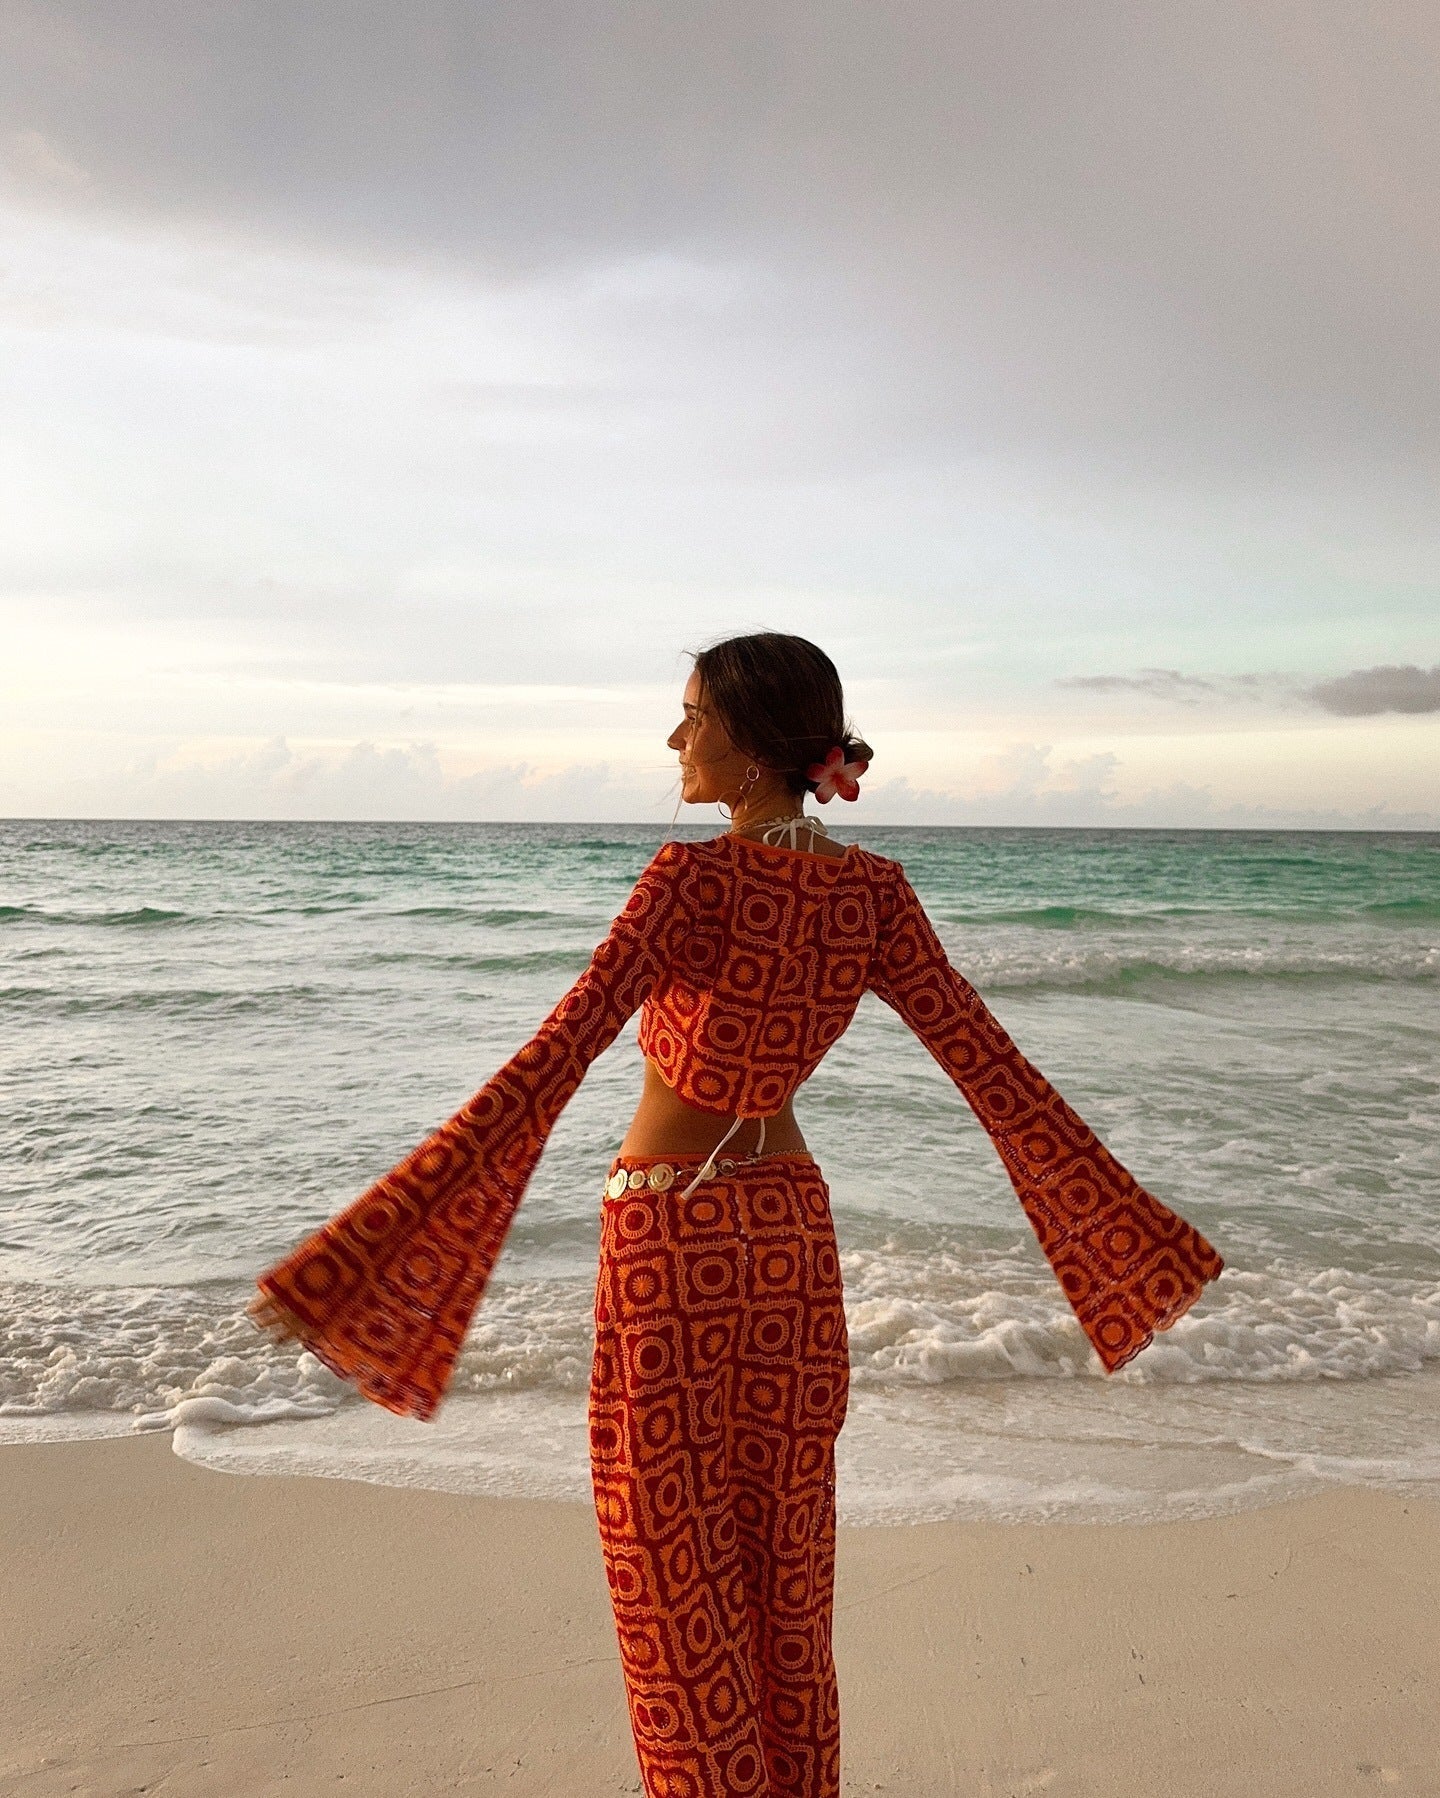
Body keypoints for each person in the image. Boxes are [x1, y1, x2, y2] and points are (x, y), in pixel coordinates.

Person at [248, 630, 1223, 1798]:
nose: (674, 739)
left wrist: (356, 1259)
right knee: (785, 1568)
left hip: (670, 1237)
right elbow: (993, 1071)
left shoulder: (691, 877)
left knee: (670, 1572)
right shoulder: (873, 891)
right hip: (790, 1243)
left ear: (754, 747)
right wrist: (1140, 1245)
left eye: (691, 715)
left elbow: (550, 1063)